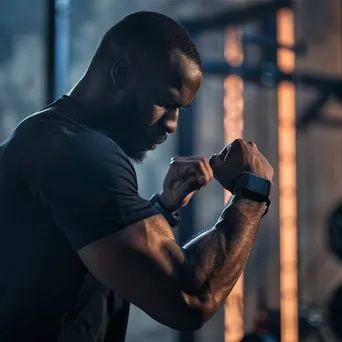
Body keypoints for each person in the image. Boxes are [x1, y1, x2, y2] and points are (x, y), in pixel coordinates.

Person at [0, 11, 273, 342]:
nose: (171, 125)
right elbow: (189, 297)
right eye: (165, 103)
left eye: (179, 111)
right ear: (123, 72)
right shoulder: (78, 154)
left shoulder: (46, 135)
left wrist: (161, 208)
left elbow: (93, 263)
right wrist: (252, 194)